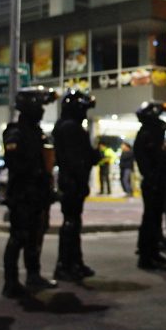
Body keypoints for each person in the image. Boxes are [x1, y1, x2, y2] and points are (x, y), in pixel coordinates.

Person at [2, 86, 59, 298]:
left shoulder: (37, 133)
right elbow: (15, 163)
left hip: (38, 195)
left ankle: (33, 275)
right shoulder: (16, 132)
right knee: (19, 237)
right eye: (39, 105)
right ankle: (10, 282)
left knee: (36, 237)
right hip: (23, 195)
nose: (42, 110)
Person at [53, 88, 100, 282]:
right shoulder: (69, 127)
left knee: (73, 223)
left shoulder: (68, 126)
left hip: (74, 181)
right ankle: (66, 265)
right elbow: (76, 158)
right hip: (72, 182)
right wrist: (92, 157)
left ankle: (74, 262)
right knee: (71, 224)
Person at [134, 100, 166, 270]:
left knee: (155, 218)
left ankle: (153, 251)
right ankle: (146, 255)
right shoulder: (146, 135)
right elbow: (150, 161)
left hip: (157, 182)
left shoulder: (152, 134)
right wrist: (155, 177)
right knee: (150, 219)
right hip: (152, 183)